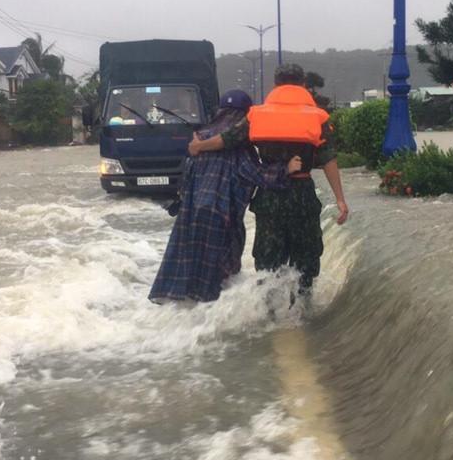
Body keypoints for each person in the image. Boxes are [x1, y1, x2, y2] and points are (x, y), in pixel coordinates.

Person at [188, 63, 349, 293]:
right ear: (303, 84)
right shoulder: (319, 118)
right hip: (302, 194)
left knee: (268, 263)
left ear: (276, 85)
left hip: (269, 195)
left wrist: (199, 146)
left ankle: (270, 317)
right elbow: (329, 160)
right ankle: (303, 314)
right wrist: (340, 199)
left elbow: (227, 139)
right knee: (305, 259)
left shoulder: (257, 115)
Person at [149, 90, 301, 303]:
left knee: (188, 268)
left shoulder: (199, 139)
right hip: (221, 217)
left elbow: (185, 181)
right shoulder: (240, 147)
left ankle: (182, 313)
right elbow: (257, 174)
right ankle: (216, 319)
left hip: (190, 216)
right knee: (219, 281)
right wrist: (286, 168)